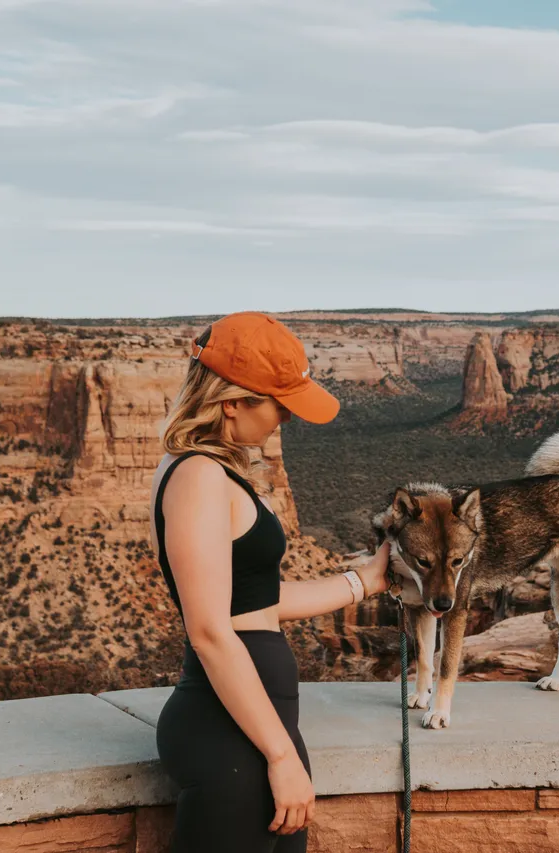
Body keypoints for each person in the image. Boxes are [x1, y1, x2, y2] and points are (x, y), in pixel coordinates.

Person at [151, 311, 393, 853]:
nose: (287, 418)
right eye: (279, 404)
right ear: (231, 401)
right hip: (228, 736)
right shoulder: (196, 476)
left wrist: (365, 582)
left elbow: (257, 601)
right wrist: (280, 756)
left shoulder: (216, 471)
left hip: (257, 730)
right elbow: (211, 631)